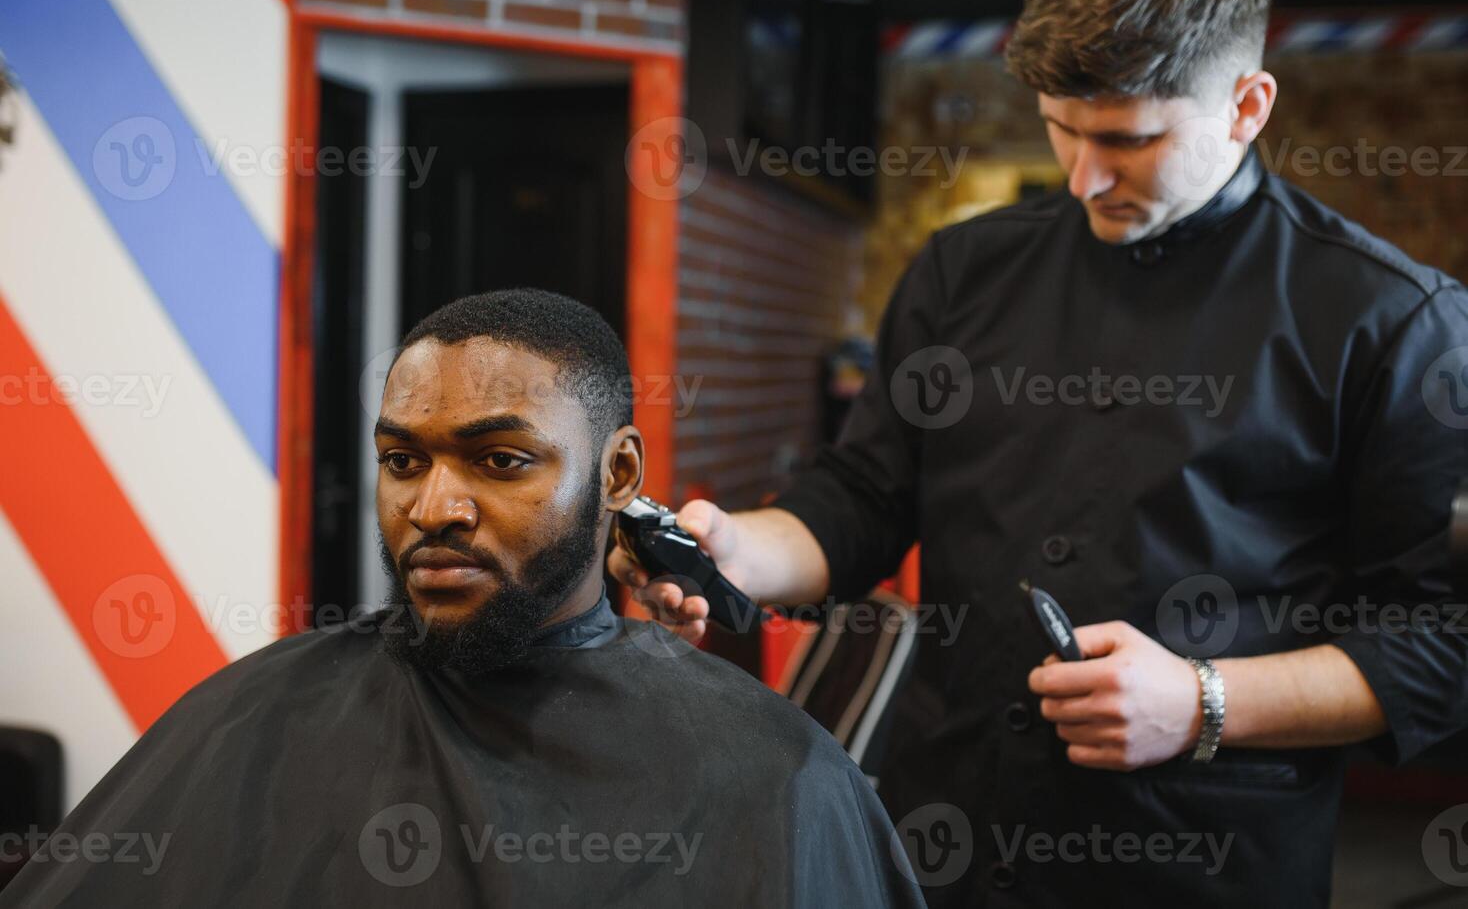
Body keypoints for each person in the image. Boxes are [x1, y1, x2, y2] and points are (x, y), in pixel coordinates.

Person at [611, 0, 1468, 906]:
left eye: (1126, 140)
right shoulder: (961, 270)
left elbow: (1440, 641)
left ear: (1246, 106)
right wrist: (735, 550)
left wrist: (1200, 702)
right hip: (946, 826)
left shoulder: (1391, 317)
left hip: (1203, 857)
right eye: (1062, 127)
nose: (1081, 178)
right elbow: (862, 496)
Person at [2, 289, 926, 907]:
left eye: (501, 461)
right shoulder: (251, 717)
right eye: (403, 461)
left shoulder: (773, 777)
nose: (433, 508)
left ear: (620, 474)